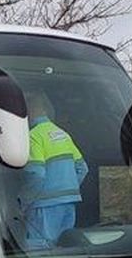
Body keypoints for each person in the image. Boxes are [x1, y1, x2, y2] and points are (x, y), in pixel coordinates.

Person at [23, 92, 89, 250]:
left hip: (43, 205)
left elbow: (36, 174)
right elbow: (82, 168)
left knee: (40, 251)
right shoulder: (64, 135)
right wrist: (66, 188)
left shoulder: (34, 136)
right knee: (64, 250)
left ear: (30, 110)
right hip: (68, 204)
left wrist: (24, 201)